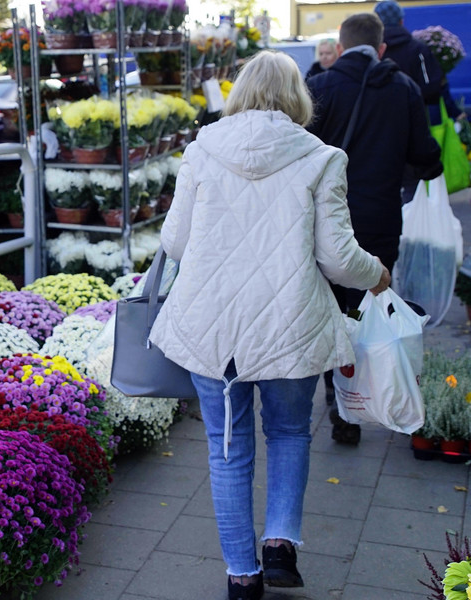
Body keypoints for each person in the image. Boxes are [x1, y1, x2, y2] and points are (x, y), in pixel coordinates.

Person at [149, 50, 391, 600]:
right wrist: (376, 274)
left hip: (213, 328)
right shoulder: (322, 156)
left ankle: (241, 574)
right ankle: (280, 544)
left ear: (238, 93)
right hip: (291, 324)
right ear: (297, 96)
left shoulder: (201, 149)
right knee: (287, 432)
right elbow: (335, 257)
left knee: (227, 446)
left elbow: (176, 243)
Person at [306, 12, 442, 444]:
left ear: (341, 48)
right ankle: (376, 395)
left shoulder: (322, 86)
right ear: (382, 49)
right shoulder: (403, 88)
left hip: (329, 225)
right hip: (382, 220)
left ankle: (341, 404)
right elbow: (425, 156)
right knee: (369, 309)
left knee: (334, 310)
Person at [373, 0, 451, 202]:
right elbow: (432, 89)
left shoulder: (372, 53)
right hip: (410, 129)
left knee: (382, 187)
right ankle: (407, 229)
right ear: (401, 21)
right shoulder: (417, 49)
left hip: (376, 131)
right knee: (410, 188)